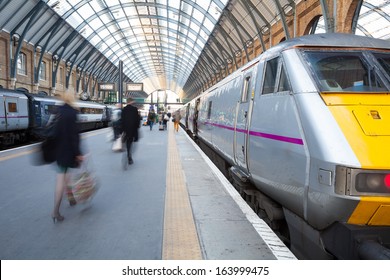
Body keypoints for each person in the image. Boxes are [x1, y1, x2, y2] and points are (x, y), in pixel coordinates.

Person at [52, 93, 83, 223]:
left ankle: (70, 197)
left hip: (58, 151)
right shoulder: (73, 113)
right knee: (61, 180)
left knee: (65, 174)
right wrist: (78, 153)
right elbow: (74, 136)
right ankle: (55, 211)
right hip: (69, 151)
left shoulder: (57, 112)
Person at [121, 98, 140, 165]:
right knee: (130, 143)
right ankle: (129, 155)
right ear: (131, 102)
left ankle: (128, 153)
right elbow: (137, 121)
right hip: (132, 130)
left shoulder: (123, 109)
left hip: (126, 130)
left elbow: (122, 120)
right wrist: (137, 128)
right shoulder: (135, 109)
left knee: (127, 142)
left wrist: (122, 130)